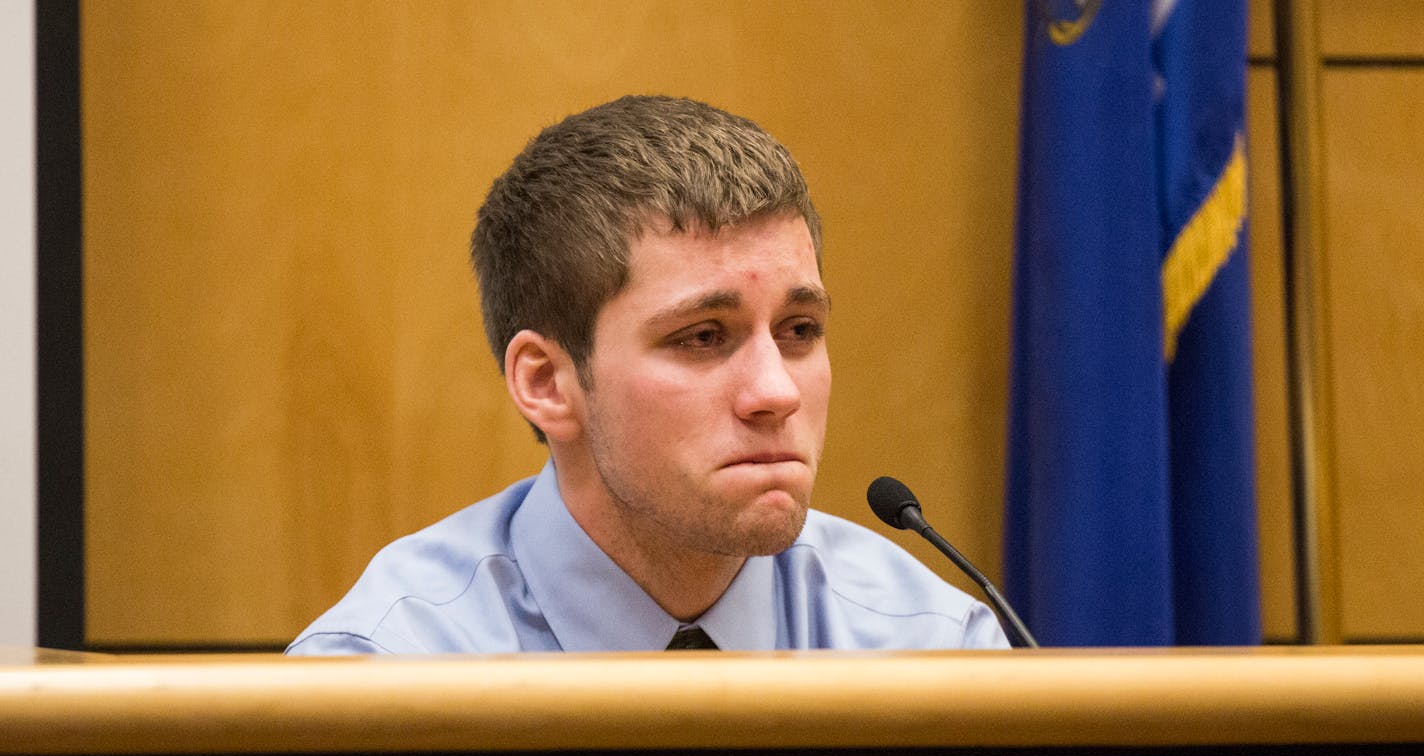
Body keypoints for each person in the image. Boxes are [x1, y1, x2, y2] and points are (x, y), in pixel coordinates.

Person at [287, 95, 1007, 655]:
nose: (777, 392)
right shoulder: (382, 678)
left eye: (799, 331)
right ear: (546, 383)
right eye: (702, 336)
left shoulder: (935, 647)